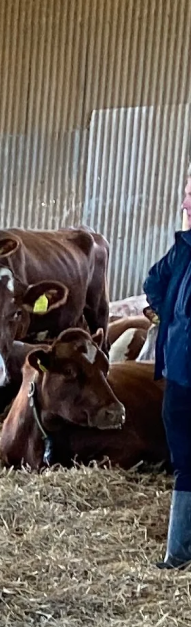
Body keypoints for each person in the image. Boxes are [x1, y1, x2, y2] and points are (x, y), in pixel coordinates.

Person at [148, 167, 191, 568]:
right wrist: (174, 322)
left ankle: (179, 552)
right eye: (186, 193)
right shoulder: (183, 250)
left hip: (182, 366)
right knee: (184, 460)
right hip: (180, 371)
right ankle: (178, 551)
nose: (184, 203)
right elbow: (153, 283)